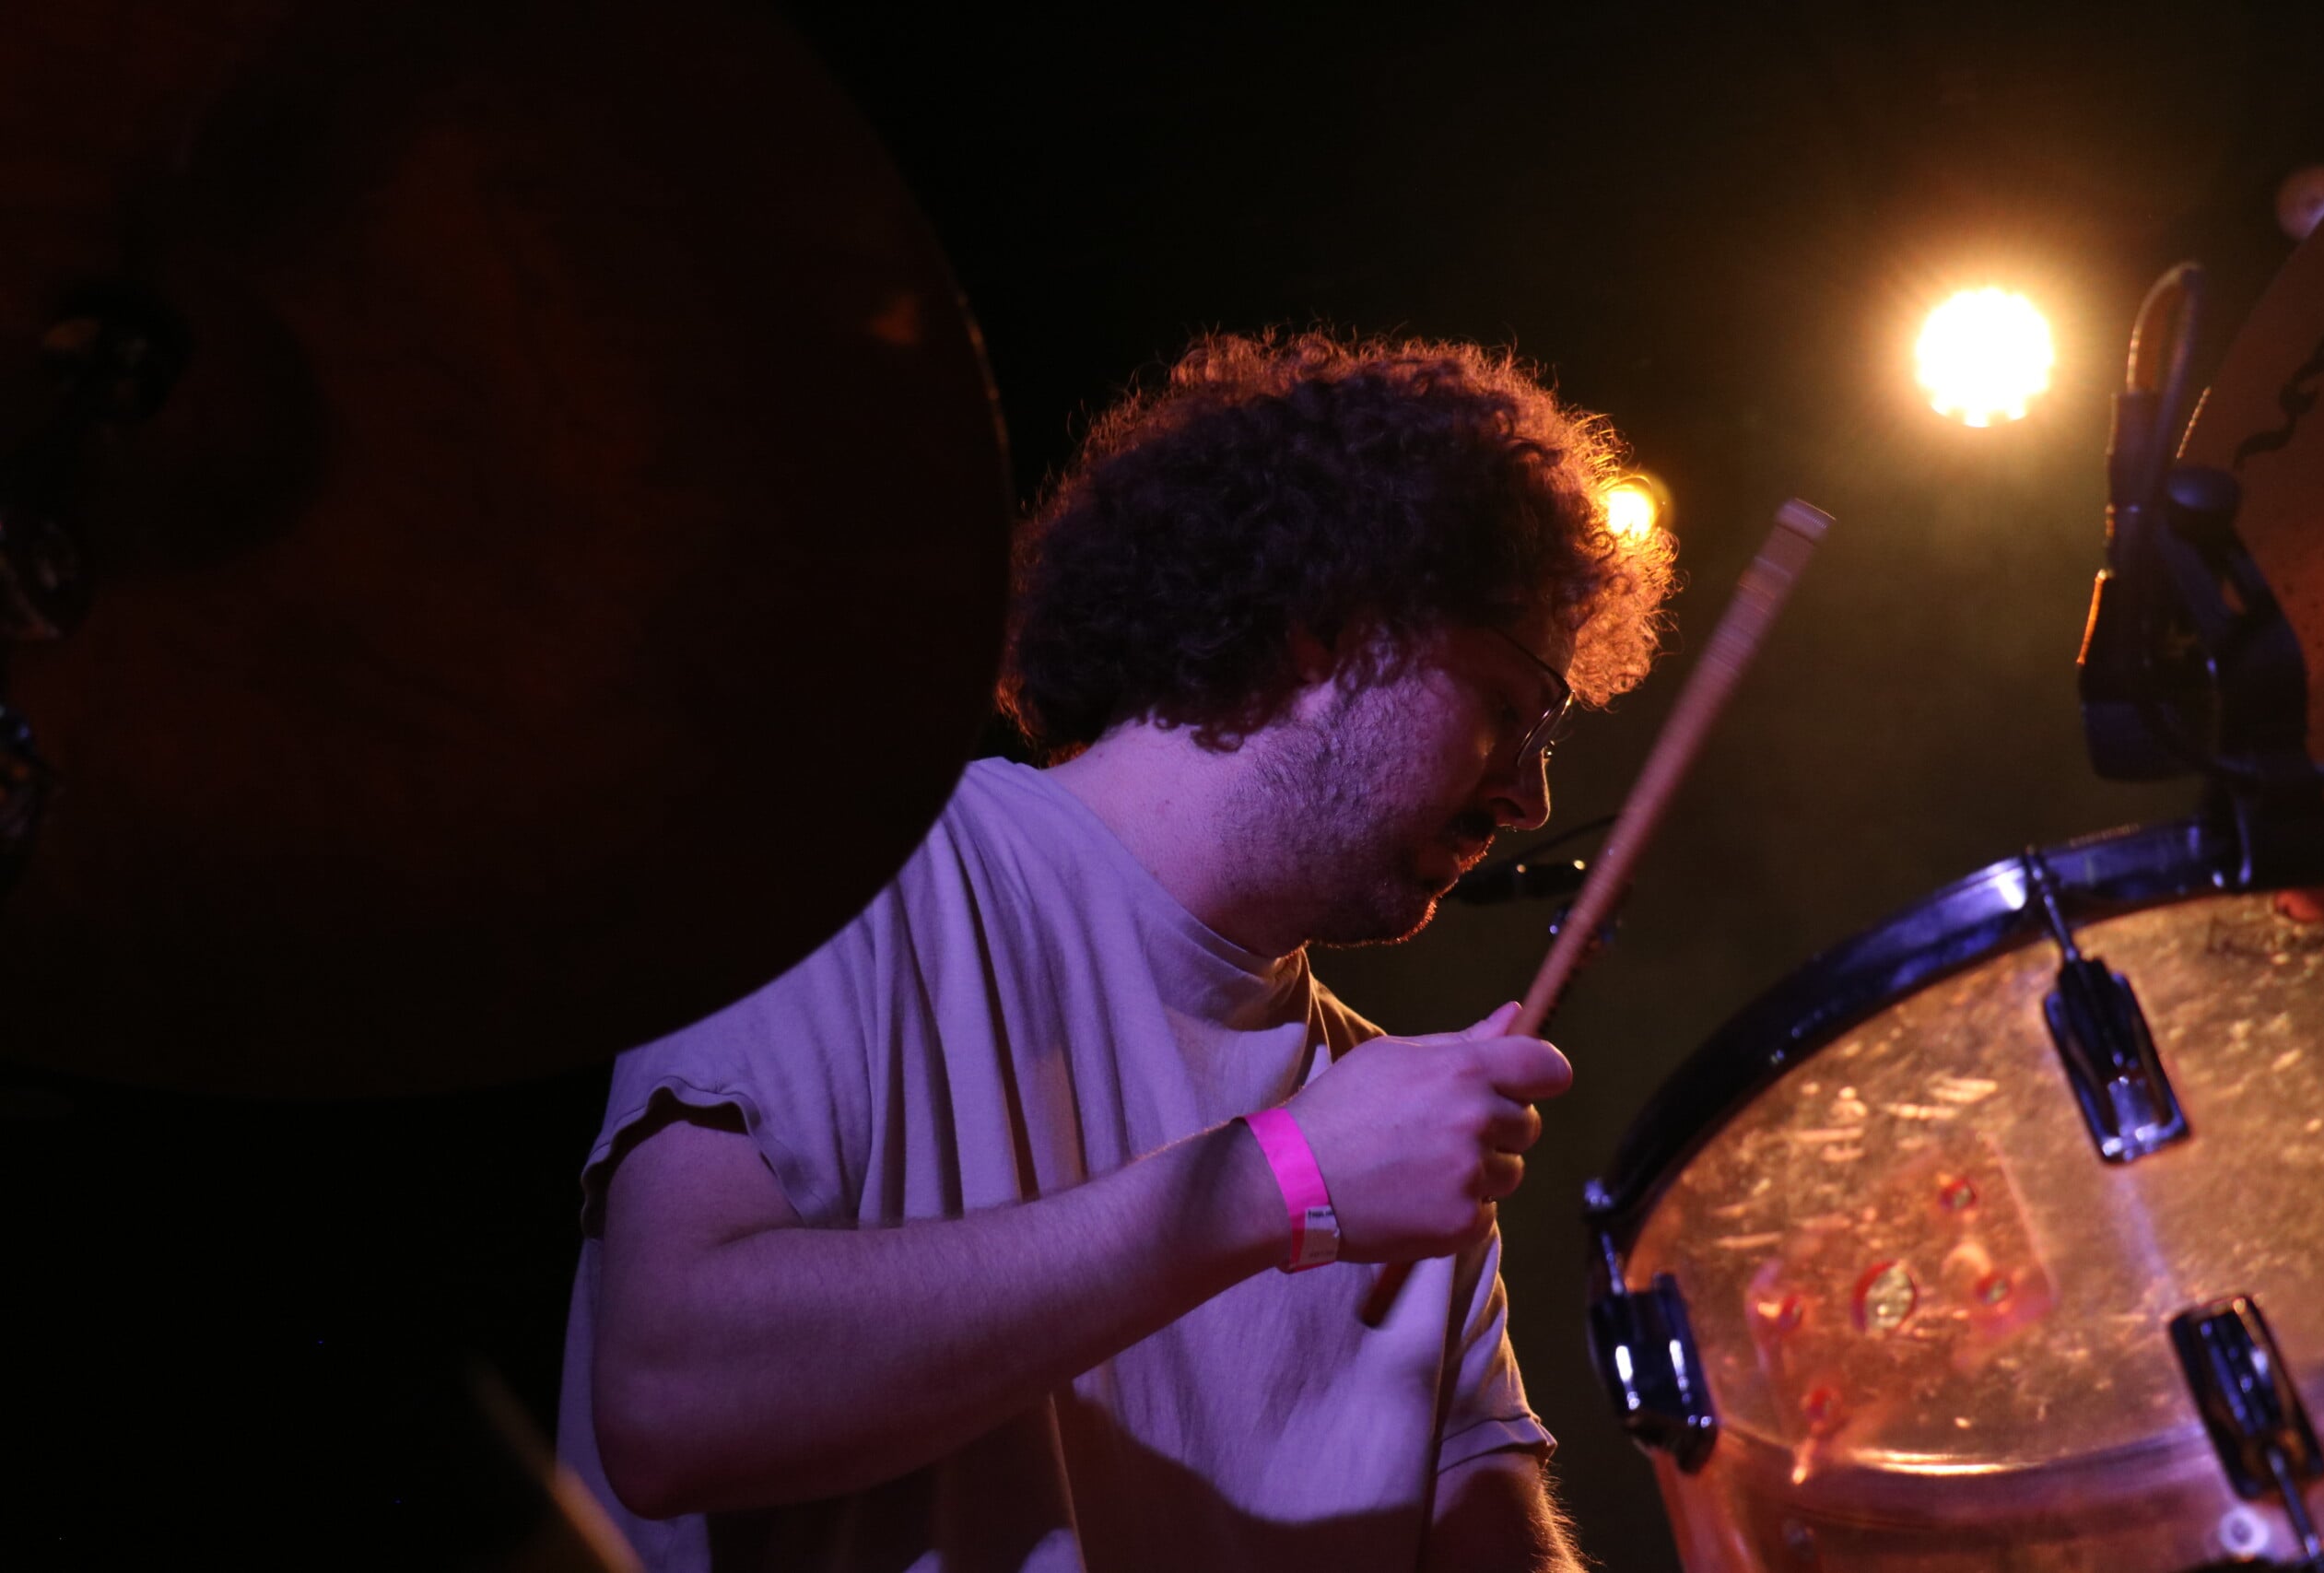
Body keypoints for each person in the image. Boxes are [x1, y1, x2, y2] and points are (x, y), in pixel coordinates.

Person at [555, 331, 1674, 1572]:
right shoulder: (846, 865)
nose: (1527, 795)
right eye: (1511, 709)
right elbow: (671, 1400)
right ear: (1330, 625)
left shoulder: (1396, 1122)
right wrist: (1280, 1182)